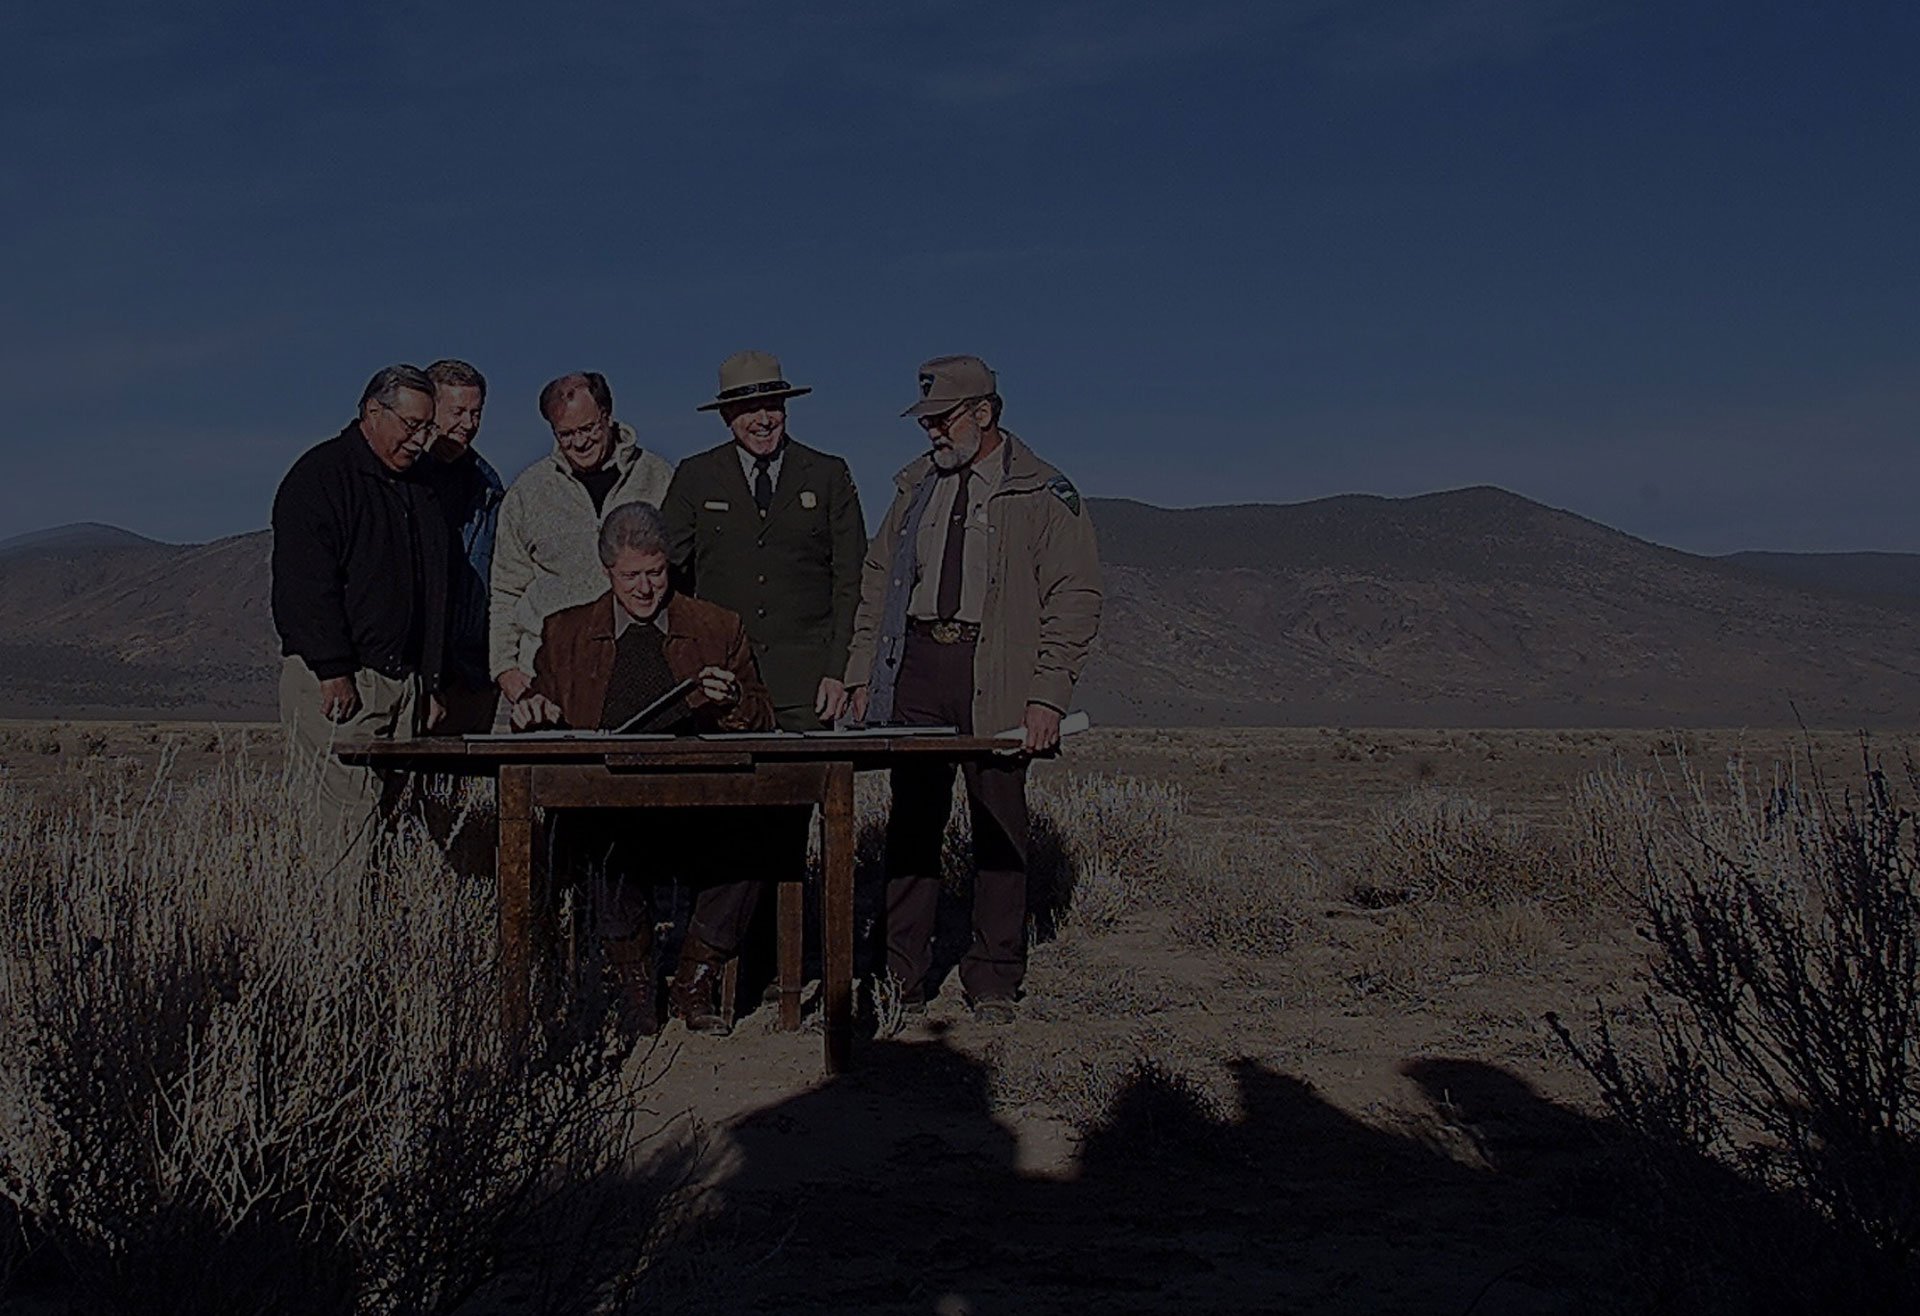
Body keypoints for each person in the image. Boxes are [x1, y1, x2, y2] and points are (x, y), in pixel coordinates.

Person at [845, 355, 1102, 1022]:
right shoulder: (913, 491)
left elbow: (1074, 595)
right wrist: (861, 672)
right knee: (913, 822)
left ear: (984, 414)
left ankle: (994, 973)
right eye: (925, 421)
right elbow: (878, 583)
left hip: (997, 670)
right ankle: (900, 974)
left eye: (942, 419)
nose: (931, 432)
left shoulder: (1043, 492)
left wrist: (1047, 693)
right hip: (921, 666)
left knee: (998, 819)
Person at [512, 501, 774, 1034]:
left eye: (655, 573)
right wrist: (534, 710)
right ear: (607, 572)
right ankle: (633, 983)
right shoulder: (564, 633)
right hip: (610, 805)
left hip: (703, 804)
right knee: (593, 835)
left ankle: (695, 976)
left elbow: (762, 715)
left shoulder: (717, 626)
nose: (645, 589)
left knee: (760, 831)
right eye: (631, 576)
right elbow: (543, 707)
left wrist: (732, 701)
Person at [271, 364, 450, 870]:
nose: (419, 440)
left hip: (404, 682)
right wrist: (332, 668)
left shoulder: (421, 489)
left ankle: (382, 937)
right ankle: (339, 941)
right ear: (373, 412)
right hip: (343, 683)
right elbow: (305, 587)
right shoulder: (320, 477)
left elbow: (433, 589)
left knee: (394, 824)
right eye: (411, 426)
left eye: (426, 428)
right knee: (344, 825)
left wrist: (430, 681)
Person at [490, 371, 673, 708]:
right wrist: (504, 668)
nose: (579, 442)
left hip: (645, 667)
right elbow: (506, 589)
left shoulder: (659, 477)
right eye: (566, 434)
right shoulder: (527, 492)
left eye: (588, 429)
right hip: (547, 676)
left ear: (607, 415)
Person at [422, 358, 504, 733]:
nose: (469, 425)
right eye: (457, 412)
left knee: (454, 781)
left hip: (470, 662)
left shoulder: (486, 485)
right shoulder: (404, 477)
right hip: (414, 658)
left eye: (476, 413)